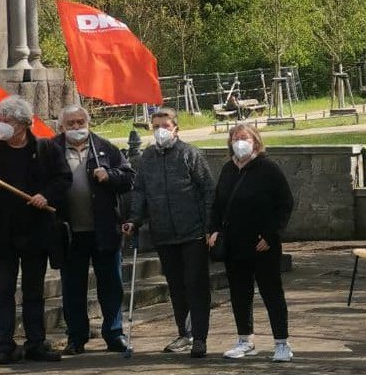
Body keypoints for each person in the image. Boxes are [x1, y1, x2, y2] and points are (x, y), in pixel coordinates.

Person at [0, 96, 71, 365]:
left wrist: (45, 196)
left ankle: (36, 343)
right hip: (3, 234)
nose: (2, 125)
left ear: (24, 124)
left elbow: (63, 180)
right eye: (0, 120)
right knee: (3, 290)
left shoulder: (47, 149)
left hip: (36, 232)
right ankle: (4, 345)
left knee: (33, 291)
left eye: (8, 121)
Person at [122, 108, 215, 358]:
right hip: (163, 233)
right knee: (176, 287)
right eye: (155, 126)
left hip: (192, 232)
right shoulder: (147, 158)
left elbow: (208, 190)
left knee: (196, 285)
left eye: (165, 125)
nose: (160, 130)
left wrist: (208, 227)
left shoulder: (189, 154)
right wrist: (134, 219)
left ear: (175, 128)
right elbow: (140, 191)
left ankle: (200, 337)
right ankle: (184, 333)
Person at [207, 123, 294, 362]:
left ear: (255, 141)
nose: (239, 141)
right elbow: (217, 204)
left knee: (271, 292)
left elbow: (285, 204)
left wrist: (272, 235)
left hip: (262, 244)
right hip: (235, 245)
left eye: (243, 137)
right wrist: (213, 230)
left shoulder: (268, 168)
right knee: (239, 294)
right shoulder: (227, 169)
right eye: (235, 137)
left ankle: (281, 343)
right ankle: (245, 340)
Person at [52, 105, 135, 355]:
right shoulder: (50, 150)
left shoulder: (105, 148)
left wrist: (109, 175)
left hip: (104, 230)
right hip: (69, 233)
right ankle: (76, 337)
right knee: (73, 288)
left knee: (111, 285)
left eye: (80, 122)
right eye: (71, 123)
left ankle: (114, 334)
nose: (76, 127)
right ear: (61, 126)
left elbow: (129, 177)